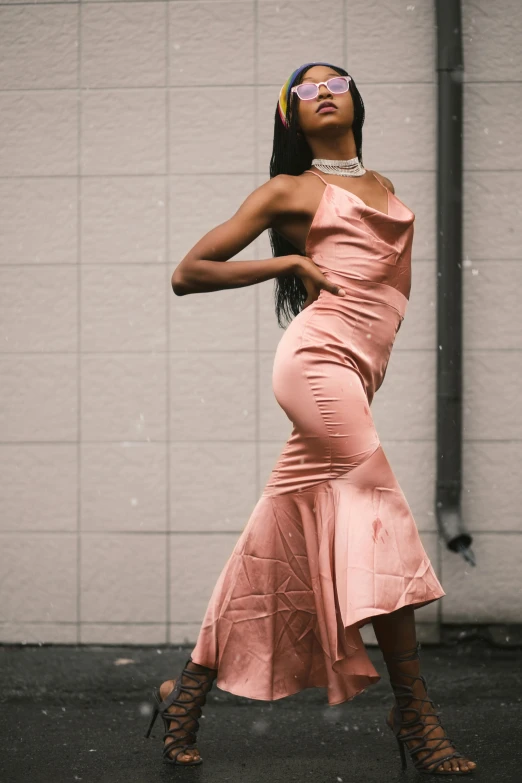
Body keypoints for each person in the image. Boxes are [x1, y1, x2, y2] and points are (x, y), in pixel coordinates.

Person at [144, 61, 477, 775]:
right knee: (381, 506)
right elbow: (188, 271)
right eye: (305, 89)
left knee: (276, 535)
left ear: (356, 98)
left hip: (356, 372)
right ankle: (414, 711)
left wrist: (367, 372)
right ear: (290, 117)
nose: (322, 91)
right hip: (317, 359)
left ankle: (184, 694)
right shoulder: (292, 190)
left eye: (336, 81)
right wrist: (289, 261)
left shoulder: (383, 186)